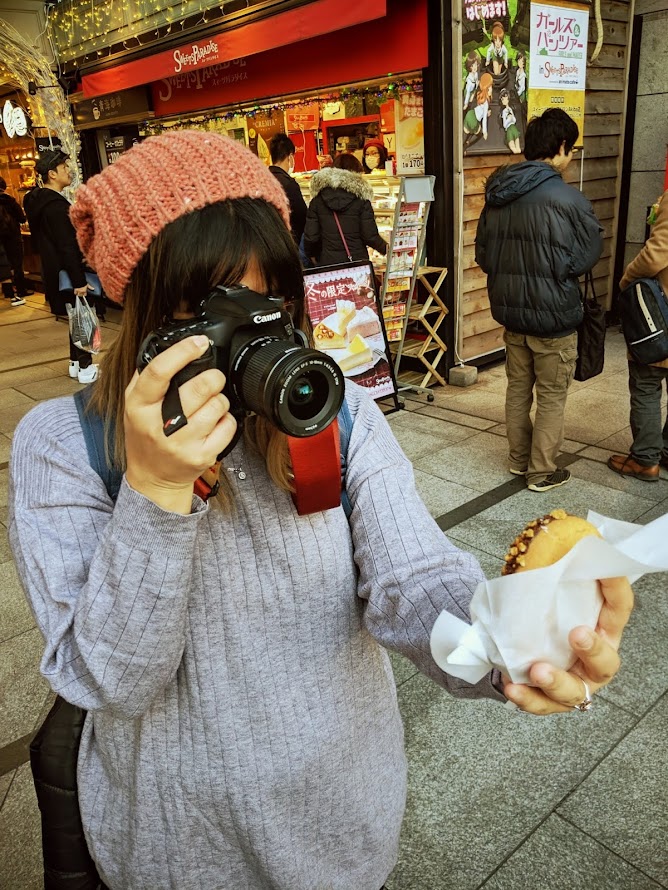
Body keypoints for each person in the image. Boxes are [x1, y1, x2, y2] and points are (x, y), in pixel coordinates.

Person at [8, 131, 632, 890]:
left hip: (340, 831)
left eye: (267, 299)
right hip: (172, 849)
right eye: (212, 309)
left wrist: (518, 638)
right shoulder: (66, 445)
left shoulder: (335, 415)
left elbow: (411, 577)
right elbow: (112, 682)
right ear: (140, 312)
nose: (253, 336)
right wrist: (155, 493)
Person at [475, 108, 603, 492]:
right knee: (550, 395)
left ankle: (518, 460)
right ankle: (542, 470)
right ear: (561, 146)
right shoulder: (568, 198)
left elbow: (483, 255)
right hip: (555, 317)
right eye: (572, 148)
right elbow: (589, 251)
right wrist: (559, 269)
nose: (572, 156)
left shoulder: (497, 193)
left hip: (512, 314)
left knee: (518, 388)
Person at [608, 190, 668, 481]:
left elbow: (657, 253)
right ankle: (664, 449)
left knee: (646, 383)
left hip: (662, 314)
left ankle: (645, 459)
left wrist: (626, 279)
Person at [23, 149, 98, 384]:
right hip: (68, 271)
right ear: (52, 174)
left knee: (74, 315)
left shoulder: (38, 202)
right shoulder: (56, 207)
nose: (69, 171)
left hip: (54, 270)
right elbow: (67, 246)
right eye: (65, 168)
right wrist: (78, 281)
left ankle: (76, 363)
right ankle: (86, 367)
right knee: (83, 314)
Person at [303, 152, 387, 266]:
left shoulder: (317, 201)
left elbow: (311, 237)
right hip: (356, 264)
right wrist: (388, 250)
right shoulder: (361, 200)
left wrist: (314, 257)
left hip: (328, 264)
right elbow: (370, 236)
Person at [268, 132, 307, 247]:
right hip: (289, 243)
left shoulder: (262, 180)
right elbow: (302, 216)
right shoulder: (289, 184)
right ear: (290, 157)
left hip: (269, 244)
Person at [0, 175, 32, 306]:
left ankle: (8, 292)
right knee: (17, 264)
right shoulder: (11, 200)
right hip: (13, 236)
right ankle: (20, 289)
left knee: (3, 263)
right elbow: (22, 219)